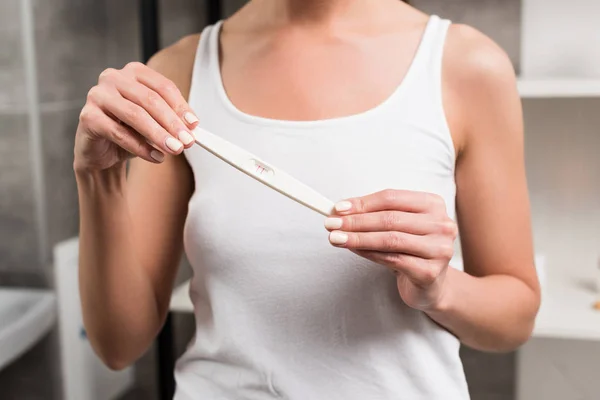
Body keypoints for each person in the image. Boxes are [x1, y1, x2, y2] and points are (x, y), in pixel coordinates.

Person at [73, 0, 540, 399]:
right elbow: (118, 345)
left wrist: (440, 289)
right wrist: (98, 179)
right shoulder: (177, 75)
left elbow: (514, 318)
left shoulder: (465, 65)